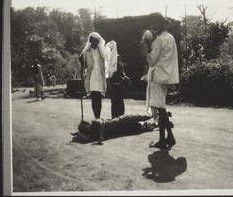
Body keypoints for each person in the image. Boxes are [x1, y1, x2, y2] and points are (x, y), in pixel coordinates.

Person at [139, 12, 179, 149]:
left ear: (162, 23)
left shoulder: (160, 39)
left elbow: (151, 61)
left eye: (155, 22)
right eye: (151, 23)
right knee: (162, 108)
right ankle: (170, 137)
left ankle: (162, 140)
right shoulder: (170, 37)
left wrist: (144, 46)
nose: (153, 25)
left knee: (161, 110)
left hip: (157, 77)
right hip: (166, 76)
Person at [71, 113, 173, 144]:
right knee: (148, 127)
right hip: (124, 130)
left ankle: (161, 113)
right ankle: (162, 122)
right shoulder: (93, 134)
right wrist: (78, 134)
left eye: (85, 128)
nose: (86, 130)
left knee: (146, 116)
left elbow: (102, 123)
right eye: (85, 131)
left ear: (87, 123)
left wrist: (101, 136)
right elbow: (86, 140)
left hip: (123, 120)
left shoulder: (94, 122)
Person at [79, 32, 109, 121]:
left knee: (99, 97)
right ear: (90, 42)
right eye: (93, 42)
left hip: (99, 76)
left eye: (96, 42)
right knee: (94, 96)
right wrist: (81, 61)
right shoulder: (86, 51)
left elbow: (107, 59)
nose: (94, 44)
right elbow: (83, 63)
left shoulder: (102, 51)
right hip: (91, 76)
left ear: (98, 42)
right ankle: (96, 117)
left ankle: (98, 117)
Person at [106, 54, 130, 119]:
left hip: (119, 85)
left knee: (120, 102)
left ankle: (121, 117)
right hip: (113, 85)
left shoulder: (120, 65)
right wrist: (110, 87)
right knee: (114, 103)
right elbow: (107, 78)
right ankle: (114, 117)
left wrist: (125, 78)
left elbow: (122, 73)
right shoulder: (110, 66)